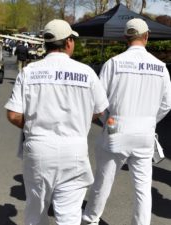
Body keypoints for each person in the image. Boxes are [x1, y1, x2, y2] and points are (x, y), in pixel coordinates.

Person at [5, 19, 109, 225]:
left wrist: (35, 125)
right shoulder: (86, 72)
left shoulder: (29, 71)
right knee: (69, 215)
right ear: (69, 42)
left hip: (39, 148)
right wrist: (79, 120)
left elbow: (13, 115)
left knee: (36, 210)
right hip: (74, 149)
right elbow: (99, 110)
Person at [82, 18, 171, 225]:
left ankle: (90, 219)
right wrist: (150, 121)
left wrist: (107, 121)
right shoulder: (161, 67)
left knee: (103, 182)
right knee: (142, 189)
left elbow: (99, 102)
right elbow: (167, 104)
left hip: (116, 130)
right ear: (147, 36)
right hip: (145, 134)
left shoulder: (113, 63)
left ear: (125, 37)